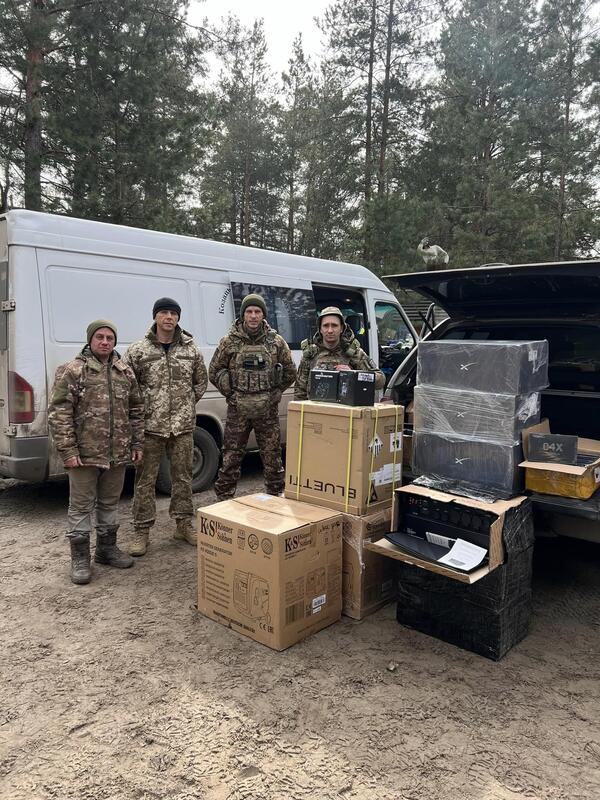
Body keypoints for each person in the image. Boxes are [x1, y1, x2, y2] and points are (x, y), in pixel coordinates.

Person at [48, 320, 144, 585]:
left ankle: (106, 549)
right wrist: (68, 450)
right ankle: (80, 559)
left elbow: (136, 410)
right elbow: (59, 413)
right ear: (90, 340)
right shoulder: (73, 370)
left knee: (110, 503)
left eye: (109, 338)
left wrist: (137, 444)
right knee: (80, 507)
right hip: (84, 455)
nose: (105, 342)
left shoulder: (125, 371)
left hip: (117, 454)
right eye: (99, 337)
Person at [124, 298, 208, 555]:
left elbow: (200, 382)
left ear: (178, 318)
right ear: (155, 317)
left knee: (183, 477)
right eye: (163, 313)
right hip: (150, 427)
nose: (168, 317)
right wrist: (146, 408)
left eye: (173, 313)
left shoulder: (190, 349)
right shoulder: (139, 350)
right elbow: (128, 385)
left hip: (182, 427)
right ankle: (141, 530)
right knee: (145, 481)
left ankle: (183, 524)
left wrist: (185, 404)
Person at [209, 293, 297, 501]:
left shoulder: (276, 342)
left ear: (263, 315)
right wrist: (231, 394)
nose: (253, 316)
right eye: (249, 311)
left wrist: (275, 393)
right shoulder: (229, 342)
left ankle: (276, 500)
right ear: (243, 315)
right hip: (238, 410)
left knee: (272, 458)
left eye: (257, 311)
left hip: (267, 411)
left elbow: (290, 371)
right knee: (230, 458)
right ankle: (223, 502)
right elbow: (214, 371)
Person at [294, 306, 385, 400]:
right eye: (325, 326)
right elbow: (299, 392)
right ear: (320, 329)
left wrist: (353, 375)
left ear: (342, 328)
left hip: (345, 408)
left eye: (334, 325)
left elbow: (380, 381)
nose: (330, 330)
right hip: (316, 408)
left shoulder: (355, 353)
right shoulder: (310, 354)